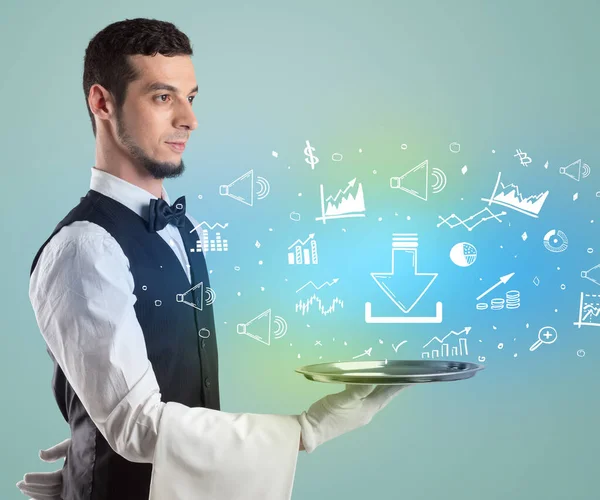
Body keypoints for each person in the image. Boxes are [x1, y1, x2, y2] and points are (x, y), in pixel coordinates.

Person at [16, 18, 412, 500]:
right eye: (163, 97)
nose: (189, 119)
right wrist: (307, 430)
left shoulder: (184, 230)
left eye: (191, 97)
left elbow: (157, 383)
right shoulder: (85, 247)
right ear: (102, 103)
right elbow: (137, 428)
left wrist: (93, 432)